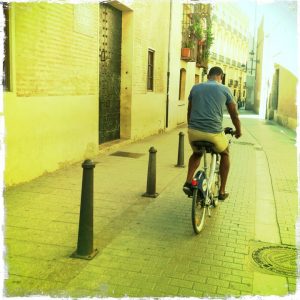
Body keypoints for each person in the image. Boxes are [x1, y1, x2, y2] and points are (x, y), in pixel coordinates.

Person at [183, 66, 241, 200]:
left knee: (197, 153)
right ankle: (221, 191)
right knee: (225, 153)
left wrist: (191, 127)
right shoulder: (225, 89)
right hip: (214, 133)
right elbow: (234, 114)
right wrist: (238, 130)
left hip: (194, 132)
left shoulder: (195, 88)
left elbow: (189, 111)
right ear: (220, 76)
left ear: (208, 75)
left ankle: (187, 181)